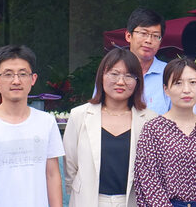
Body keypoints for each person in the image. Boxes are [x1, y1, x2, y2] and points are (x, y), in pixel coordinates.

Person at [0, 45, 65, 207]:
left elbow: (52, 175)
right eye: (8, 74)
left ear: (33, 79)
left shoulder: (46, 122)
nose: (16, 81)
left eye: (23, 74)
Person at [64, 48, 157, 207]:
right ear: (101, 76)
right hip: (89, 200)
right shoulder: (79, 116)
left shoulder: (150, 120)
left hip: (131, 201)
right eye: (114, 74)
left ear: (138, 82)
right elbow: (71, 166)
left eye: (129, 76)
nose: (121, 82)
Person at [135, 58, 196, 207]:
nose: (186, 89)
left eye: (193, 82)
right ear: (166, 89)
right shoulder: (153, 129)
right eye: (178, 83)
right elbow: (148, 180)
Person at [126, 7, 173, 114]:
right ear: (128, 36)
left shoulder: (170, 73)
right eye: (143, 33)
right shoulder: (112, 72)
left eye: (156, 36)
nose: (148, 40)